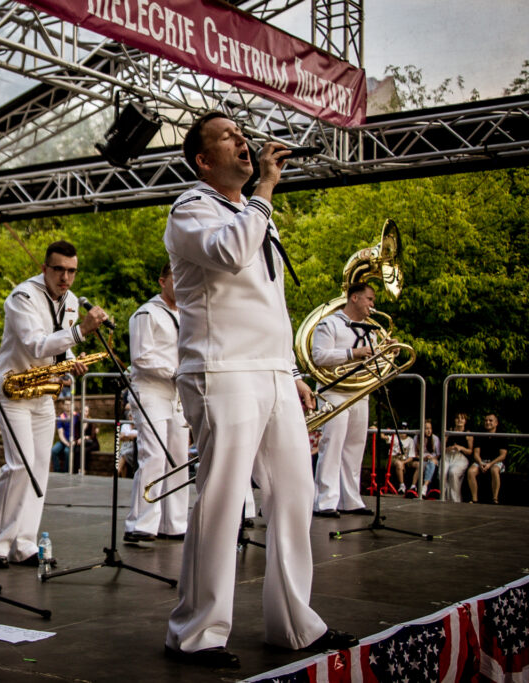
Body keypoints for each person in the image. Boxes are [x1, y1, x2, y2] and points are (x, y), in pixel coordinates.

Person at [163, 111, 356, 668]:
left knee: (294, 497)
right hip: (221, 369)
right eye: (228, 137)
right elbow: (228, 254)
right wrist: (266, 189)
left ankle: (295, 625)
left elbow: (271, 301)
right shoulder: (191, 208)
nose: (243, 141)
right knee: (223, 501)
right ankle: (196, 632)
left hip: (267, 370)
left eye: (242, 134)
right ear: (204, 160)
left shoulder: (252, 212)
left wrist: (290, 372)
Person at [0, 240, 109, 570]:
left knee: (40, 467)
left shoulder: (69, 301)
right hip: (13, 388)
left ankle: (24, 543)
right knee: (19, 465)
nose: (65, 278)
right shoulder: (22, 297)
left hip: (43, 391)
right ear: (44, 268)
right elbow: (37, 344)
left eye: (71, 271)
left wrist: (69, 362)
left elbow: (58, 345)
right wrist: (80, 333)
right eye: (58, 270)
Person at [124, 263, 191, 544]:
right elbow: (141, 357)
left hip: (177, 394)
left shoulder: (188, 314)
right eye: (177, 278)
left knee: (178, 458)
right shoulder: (146, 313)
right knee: (154, 456)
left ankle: (173, 523)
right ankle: (140, 524)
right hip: (151, 391)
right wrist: (176, 372)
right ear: (162, 281)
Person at [310, 283, 379, 517]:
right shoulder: (329, 324)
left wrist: (385, 351)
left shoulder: (371, 329)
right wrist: (352, 353)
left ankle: (351, 499)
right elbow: (319, 356)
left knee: (355, 445)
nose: (372, 304)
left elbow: (372, 359)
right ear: (354, 298)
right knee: (332, 443)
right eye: (369, 299)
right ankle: (325, 500)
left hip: (359, 391)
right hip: (334, 391)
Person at [467, 413, 507, 504]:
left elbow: (503, 455)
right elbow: (476, 453)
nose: (487, 422)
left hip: (495, 462)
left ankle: (495, 499)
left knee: (494, 470)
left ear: (496, 423)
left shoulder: (502, 435)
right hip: (482, 461)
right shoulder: (480, 434)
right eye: (486, 420)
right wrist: (481, 463)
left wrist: (490, 464)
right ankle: (474, 499)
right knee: (471, 471)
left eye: (490, 420)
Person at [441, 412, 473, 502]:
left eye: (462, 418)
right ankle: (443, 497)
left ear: (465, 421)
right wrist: (448, 448)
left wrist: (461, 448)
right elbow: (442, 448)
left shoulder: (468, 433)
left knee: (453, 472)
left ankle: (455, 499)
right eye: (457, 418)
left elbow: (470, 451)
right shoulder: (449, 431)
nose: (459, 420)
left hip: (460, 458)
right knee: (442, 472)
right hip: (448, 456)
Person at [404, 420, 441, 497]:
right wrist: (422, 458)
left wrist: (431, 458)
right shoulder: (416, 438)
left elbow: (438, 454)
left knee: (431, 463)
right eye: (426, 428)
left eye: (430, 428)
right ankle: (413, 486)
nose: (428, 431)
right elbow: (414, 454)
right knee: (421, 465)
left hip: (432, 459)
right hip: (420, 459)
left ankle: (425, 486)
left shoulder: (435, 438)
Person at [384, 426, 416, 495]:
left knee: (419, 465)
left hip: (405, 460)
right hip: (394, 458)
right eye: (401, 429)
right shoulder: (395, 437)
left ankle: (413, 486)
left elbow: (411, 457)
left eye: (405, 429)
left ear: (407, 430)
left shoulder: (410, 440)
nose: (403, 431)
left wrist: (404, 462)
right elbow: (384, 437)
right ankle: (402, 486)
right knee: (399, 463)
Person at [50, 406, 77, 473]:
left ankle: (66, 472)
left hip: (73, 441)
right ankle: (57, 471)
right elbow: (60, 433)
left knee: (67, 452)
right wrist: (66, 443)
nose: (68, 407)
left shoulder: (76, 416)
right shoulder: (61, 417)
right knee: (53, 450)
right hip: (63, 441)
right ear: (64, 405)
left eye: (69, 404)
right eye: (66, 404)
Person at [118, 403, 139, 478]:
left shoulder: (139, 426)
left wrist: (127, 436)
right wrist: (129, 437)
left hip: (133, 448)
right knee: (123, 454)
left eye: (133, 416)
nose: (131, 418)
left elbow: (136, 436)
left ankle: (117, 471)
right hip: (125, 446)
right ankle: (122, 476)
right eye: (130, 416)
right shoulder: (125, 425)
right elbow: (121, 437)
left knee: (124, 454)